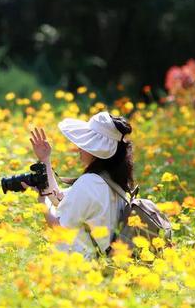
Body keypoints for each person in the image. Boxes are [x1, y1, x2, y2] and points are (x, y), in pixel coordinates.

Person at [21, 111, 134, 260]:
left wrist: (42, 201)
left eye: (86, 144)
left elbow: (60, 228)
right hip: (103, 268)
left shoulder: (89, 183)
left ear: (97, 151)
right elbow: (59, 200)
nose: (79, 148)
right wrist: (45, 159)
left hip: (81, 269)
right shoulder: (112, 182)